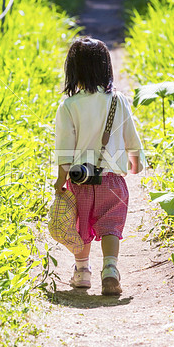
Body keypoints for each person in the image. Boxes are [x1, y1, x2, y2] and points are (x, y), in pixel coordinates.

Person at [54, 37, 144, 296]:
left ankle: (82, 272)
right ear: (107, 68)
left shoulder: (69, 106)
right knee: (111, 225)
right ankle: (110, 270)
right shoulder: (118, 101)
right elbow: (131, 136)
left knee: (81, 225)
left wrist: (61, 180)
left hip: (80, 180)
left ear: (73, 70)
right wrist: (135, 161)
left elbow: (65, 149)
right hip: (112, 180)